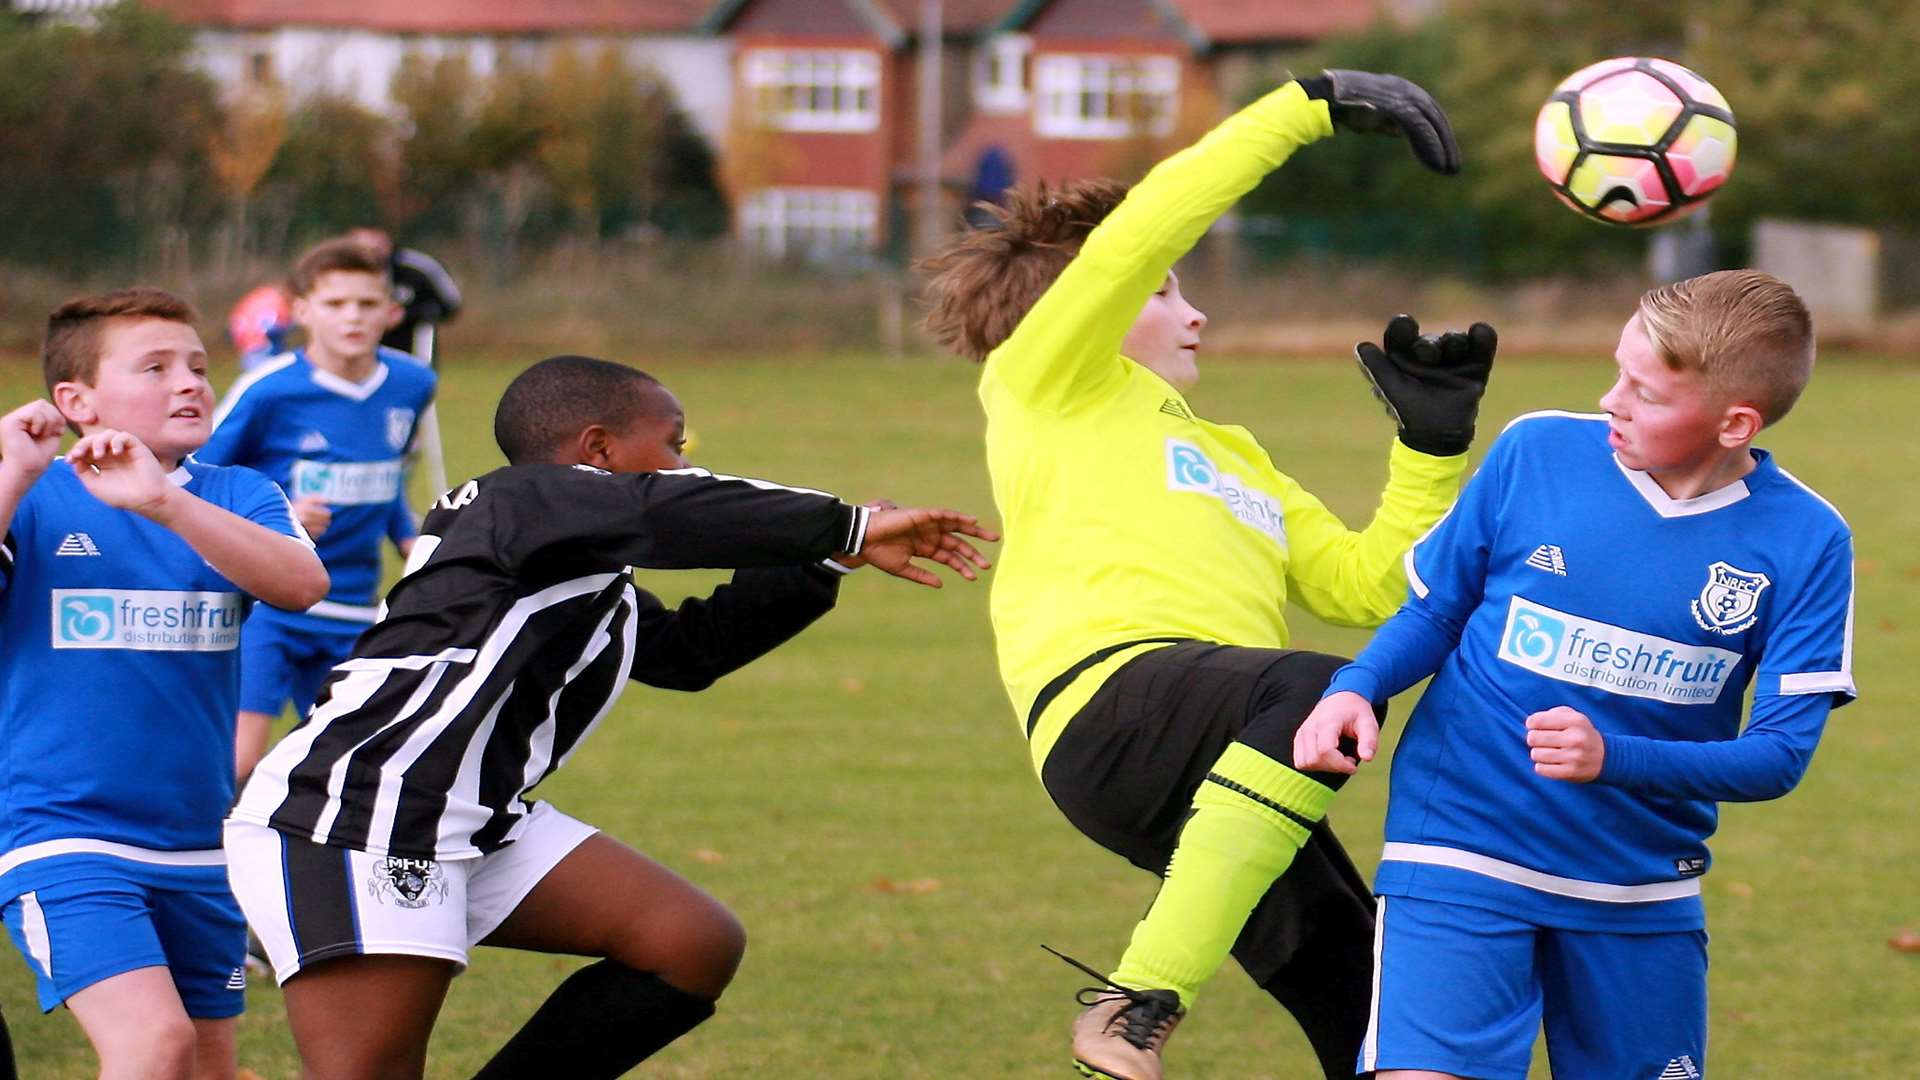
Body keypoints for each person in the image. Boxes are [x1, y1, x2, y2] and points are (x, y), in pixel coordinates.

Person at [920, 71, 1493, 1080]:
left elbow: (1370, 584)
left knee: (1380, 1010)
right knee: (1322, 686)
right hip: (1113, 710)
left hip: (1230, 764)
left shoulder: (1236, 455)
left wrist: (1431, 448)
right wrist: (1304, 108)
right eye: (1165, 288)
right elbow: (1142, 229)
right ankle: (1142, 993)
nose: (1195, 313)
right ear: (1083, 306)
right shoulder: (1045, 384)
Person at [222, 354, 998, 1079]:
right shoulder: (511, 499)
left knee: (688, 944)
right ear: (595, 450)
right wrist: (847, 522)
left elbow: (691, 652)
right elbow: (663, 512)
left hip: (471, 817)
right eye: (674, 443)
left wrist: (826, 559)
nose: (685, 463)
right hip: (362, 812)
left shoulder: (581, 571)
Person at [1293, 270, 1854, 1079]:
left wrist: (1612, 757)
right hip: (1460, 845)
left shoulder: (1807, 540)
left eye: (1646, 393)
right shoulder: (1537, 451)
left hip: (1639, 890)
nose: (1610, 400)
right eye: (1618, 371)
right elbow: (1437, 609)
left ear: (1735, 423)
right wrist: (1358, 684)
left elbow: (1778, 756)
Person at [0, 288, 328, 1079]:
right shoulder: (35, 498)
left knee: (206, 1070)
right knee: (153, 1045)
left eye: (198, 366)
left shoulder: (236, 494)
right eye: (155, 367)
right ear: (75, 400)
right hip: (62, 833)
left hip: (199, 844)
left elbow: (300, 585)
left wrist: (164, 503)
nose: (190, 383)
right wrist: (12, 473)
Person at [197, 238, 437, 783]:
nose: (352, 317)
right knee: (239, 760)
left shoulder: (412, 383)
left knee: (347, 768)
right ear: (300, 310)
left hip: (355, 608)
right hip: (269, 603)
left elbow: (387, 477)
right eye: (334, 304)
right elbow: (195, 480)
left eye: (367, 304)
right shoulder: (268, 390)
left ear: (392, 312)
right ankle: (205, 866)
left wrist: (410, 539)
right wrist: (275, 515)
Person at [346, 227, 461, 357]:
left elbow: (450, 304)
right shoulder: (340, 271)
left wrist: (406, 314)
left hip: (413, 350)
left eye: (374, 235)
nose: (370, 242)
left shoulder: (417, 268)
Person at [225, 280, 293, 372]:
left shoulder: (252, 300)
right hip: (266, 346)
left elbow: (235, 322)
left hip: (248, 347)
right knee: (270, 375)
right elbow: (273, 326)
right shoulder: (275, 300)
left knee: (255, 376)